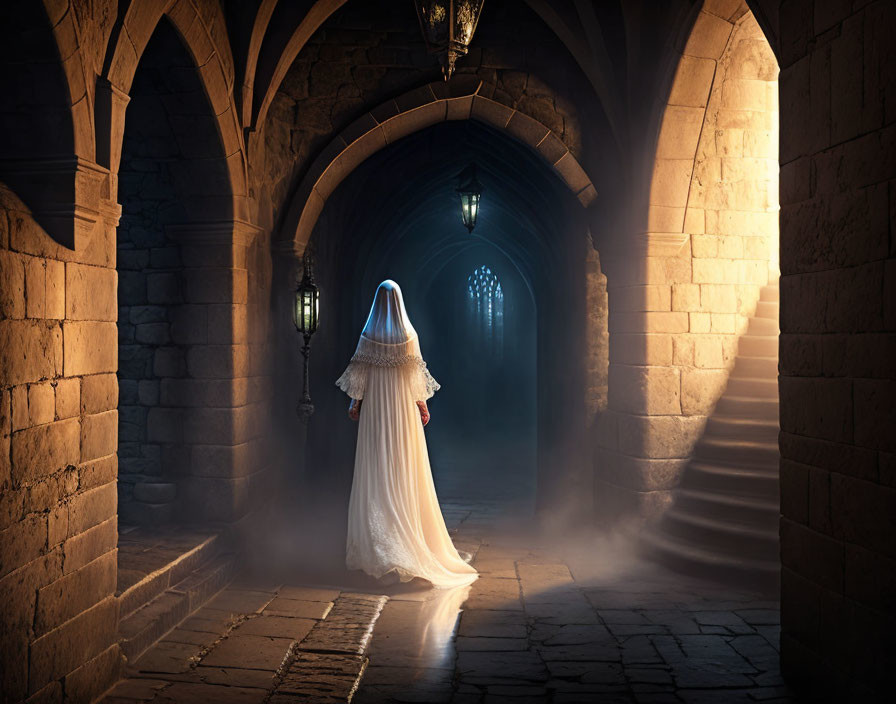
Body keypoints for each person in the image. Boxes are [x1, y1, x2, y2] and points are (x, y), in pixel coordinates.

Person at [336, 280, 478, 588]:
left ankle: (379, 549)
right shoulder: (409, 336)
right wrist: (422, 407)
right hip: (401, 416)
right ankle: (402, 542)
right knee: (402, 470)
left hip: (377, 415)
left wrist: (355, 404)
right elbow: (416, 379)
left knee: (378, 472)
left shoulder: (368, 336)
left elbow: (358, 378)